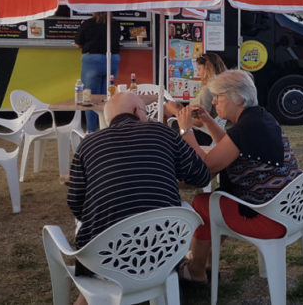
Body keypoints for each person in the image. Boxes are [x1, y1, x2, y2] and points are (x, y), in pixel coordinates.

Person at [67, 92, 212, 304]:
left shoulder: (88, 144)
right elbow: (201, 176)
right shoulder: (163, 133)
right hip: (163, 250)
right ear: (137, 111)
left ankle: (93, 293)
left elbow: (76, 203)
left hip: (105, 255)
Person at [176, 69, 302, 284]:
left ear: (239, 98)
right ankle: (205, 262)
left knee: (203, 203)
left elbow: (204, 168)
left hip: (269, 217)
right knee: (216, 202)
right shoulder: (260, 117)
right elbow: (232, 144)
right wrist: (208, 120)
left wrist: (185, 131)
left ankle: (196, 270)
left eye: (219, 97)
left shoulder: (247, 128)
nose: (214, 102)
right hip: (288, 208)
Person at [164, 53, 228, 144]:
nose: (198, 73)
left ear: (207, 69)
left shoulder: (207, 90)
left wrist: (175, 111)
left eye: (199, 69)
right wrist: (183, 109)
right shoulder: (218, 87)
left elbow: (200, 121)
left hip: (201, 135)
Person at [74, 12, 121, 133]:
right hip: (112, 60)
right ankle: (106, 129)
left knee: (90, 98)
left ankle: (92, 131)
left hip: (92, 61)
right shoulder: (115, 24)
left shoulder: (88, 23)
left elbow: (77, 44)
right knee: (108, 96)